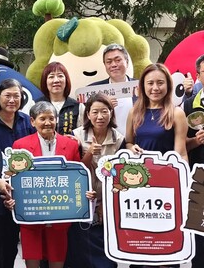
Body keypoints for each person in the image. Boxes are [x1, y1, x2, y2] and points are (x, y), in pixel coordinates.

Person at [125, 64, 188, 268]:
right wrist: (131, 147)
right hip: (139, 185)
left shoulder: (176, 113)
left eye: (160, 83)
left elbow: (180, 151)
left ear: (168, 85)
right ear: (142, 86)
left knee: (165, 242)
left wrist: (182, 183)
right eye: (150, 83)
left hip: (166, 185)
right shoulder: (135, 113)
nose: (155, 87)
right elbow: (128, 142)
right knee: (140, 241)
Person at [5, 101, 79, 268]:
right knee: (32, 257)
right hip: (31, 212)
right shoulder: (20, 146)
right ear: (32, 121)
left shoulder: (71, 145)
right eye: (42, 118)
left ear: (57, 120)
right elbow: (14, 179)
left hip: (60, 213)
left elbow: (77, 177)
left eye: (51, 118)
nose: (47, 122)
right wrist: (11, 198)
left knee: (57, 257)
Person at [0, 78, 35, 268]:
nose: (12, 100)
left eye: (16, 96)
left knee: (11, 246)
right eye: (7, 96)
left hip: (20, 195)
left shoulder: (26, 121)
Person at [65, 92, 124, 268]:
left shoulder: (119, 139)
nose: (100, 116)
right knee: (80, 251)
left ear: (111, 113)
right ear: (88, 114)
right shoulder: (75, 136)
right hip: (82, 201)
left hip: (107, 203)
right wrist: (90, 152)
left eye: (105, 111)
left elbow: (119, 176)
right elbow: (77, 170)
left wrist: (104, 203)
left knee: (105, 252)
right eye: (95, 112)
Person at [184, 55, 204, 267]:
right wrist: (196, 141)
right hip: (199, 175)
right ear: (198, 75)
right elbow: (182, 144)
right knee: (199, 231)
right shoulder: (190, 105)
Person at [89, 44, 135, 135]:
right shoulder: (94, 90)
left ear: (127, 62)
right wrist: (103, 105)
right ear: (105, 65)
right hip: (107, 143)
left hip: (136, 144)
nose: (113, 65)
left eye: (118, 60)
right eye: (109, 62)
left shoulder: (140, 87)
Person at [36, 62, 84, 135]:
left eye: (60, 76)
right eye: (51, 77)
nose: (56, 80)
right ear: (45, 81)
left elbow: (83, 134)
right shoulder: (35, 105)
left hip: (69, 146)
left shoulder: (78, 106)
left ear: (66, 80)